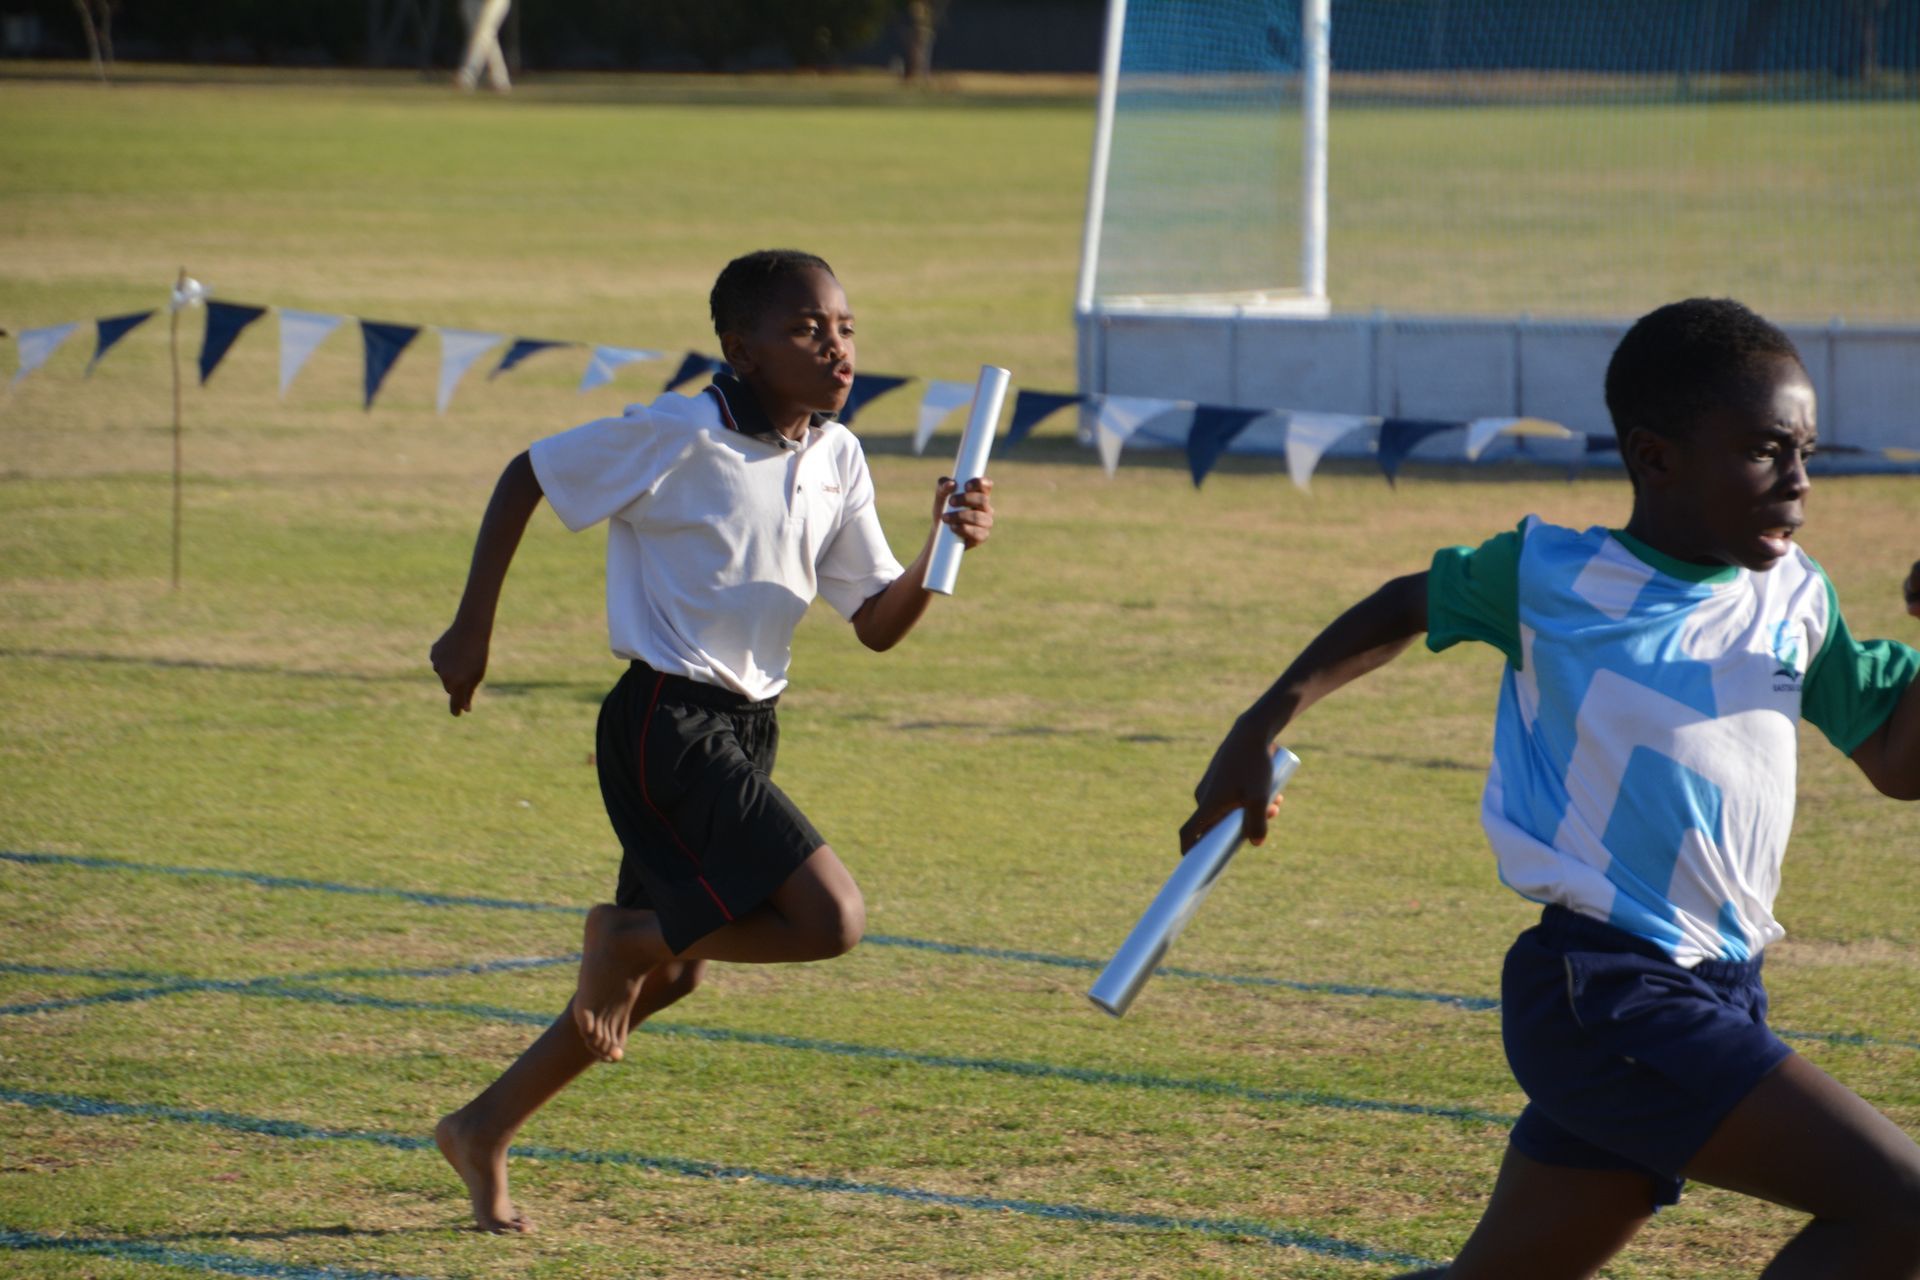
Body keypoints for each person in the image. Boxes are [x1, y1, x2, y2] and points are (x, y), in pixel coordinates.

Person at [1182, 298, 1920, 1279]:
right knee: (1901, 1205)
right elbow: (1407, 600)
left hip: (1720, 990)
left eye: (1807, 452)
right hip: (1607, 992)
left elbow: (1900, 763)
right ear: (1655, 457)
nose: (1798, 482)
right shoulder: (1554, 576)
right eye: (1765, 450)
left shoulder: (1796, 596)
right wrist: (1255, 728)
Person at [429, 249, 995, 1233]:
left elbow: (873, 620)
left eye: (846, 326)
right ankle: (622, 933)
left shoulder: (838, 455)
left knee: (680, 969)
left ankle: (483, 1125)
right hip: (663, 723)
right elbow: (529, 473)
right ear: (742, 349)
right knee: (831, 918)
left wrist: (943, 551)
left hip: (745, 727)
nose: (837, 345)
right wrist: (471, 626)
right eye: (807, 329)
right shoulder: (680, 433)